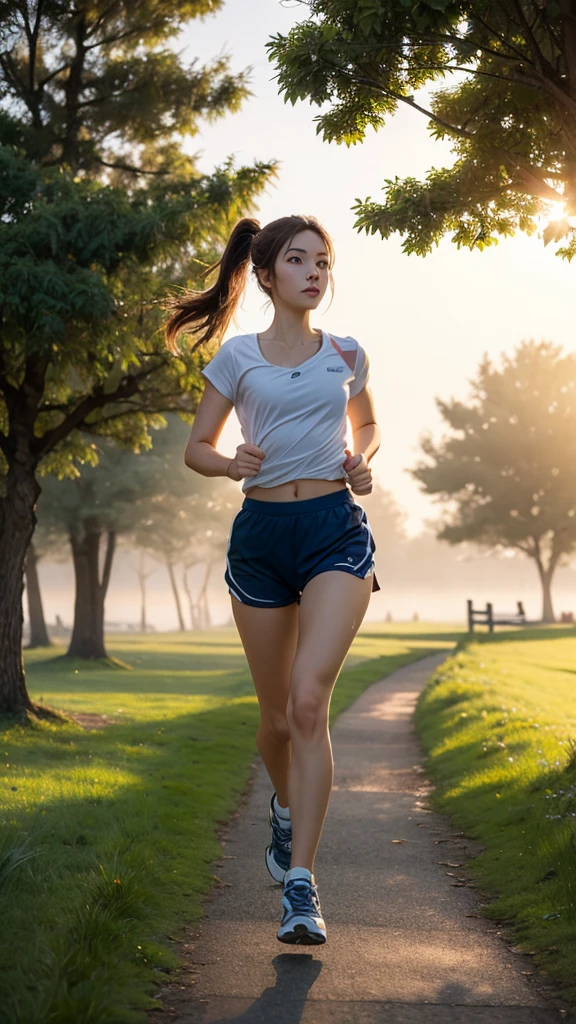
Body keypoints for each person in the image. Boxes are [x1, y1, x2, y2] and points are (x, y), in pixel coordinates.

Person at [165, 214, 380, 945]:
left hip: (332, 532)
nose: (315, 271)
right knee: (277, 721)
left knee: (310, 701)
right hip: (259, 540)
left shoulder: (346, 351)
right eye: (298, 260)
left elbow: (368, 425)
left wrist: (361, 458)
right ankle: (284, 812)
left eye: (323, 260)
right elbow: (196, 447)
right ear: (265, 275)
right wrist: (231, 464)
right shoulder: (237, 358)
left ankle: (300, 885)